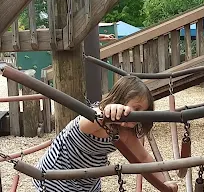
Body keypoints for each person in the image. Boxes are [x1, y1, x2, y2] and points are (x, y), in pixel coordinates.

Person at [32, 76, 178, 192]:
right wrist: (108, 111)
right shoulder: (96, 118)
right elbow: (85, 121)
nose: (139, 115)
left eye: (143, 111)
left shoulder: (125, 133)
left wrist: (163, 182)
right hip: (55, 177)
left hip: (88, 182)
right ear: (119, 101)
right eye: (136, 108)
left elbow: (144, 158)